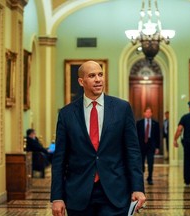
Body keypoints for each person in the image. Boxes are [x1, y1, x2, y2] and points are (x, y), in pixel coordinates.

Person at [50, 61, 146, 216]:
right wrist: (57, 197)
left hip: (115, 192)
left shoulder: (122, 108)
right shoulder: (67, 114)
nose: (98, 79)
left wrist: (137, 188)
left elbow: (133, 151)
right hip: (78, 193)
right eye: (92, 75)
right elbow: (59, 158)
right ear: (81, 81)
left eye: (100, 74)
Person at [136, 107, 160, 185]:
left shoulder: (155, 123)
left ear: (152, 113)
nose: (148, 114)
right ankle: (141, 178)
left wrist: (157, 147)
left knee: (150, 162)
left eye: (150, 112)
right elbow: (136, 135)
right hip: (141, 145)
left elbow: (158, 136)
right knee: (141, 163)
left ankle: (150, 178)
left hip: (151, 145)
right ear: (144, 113)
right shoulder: (139, 123)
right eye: (147, 112)